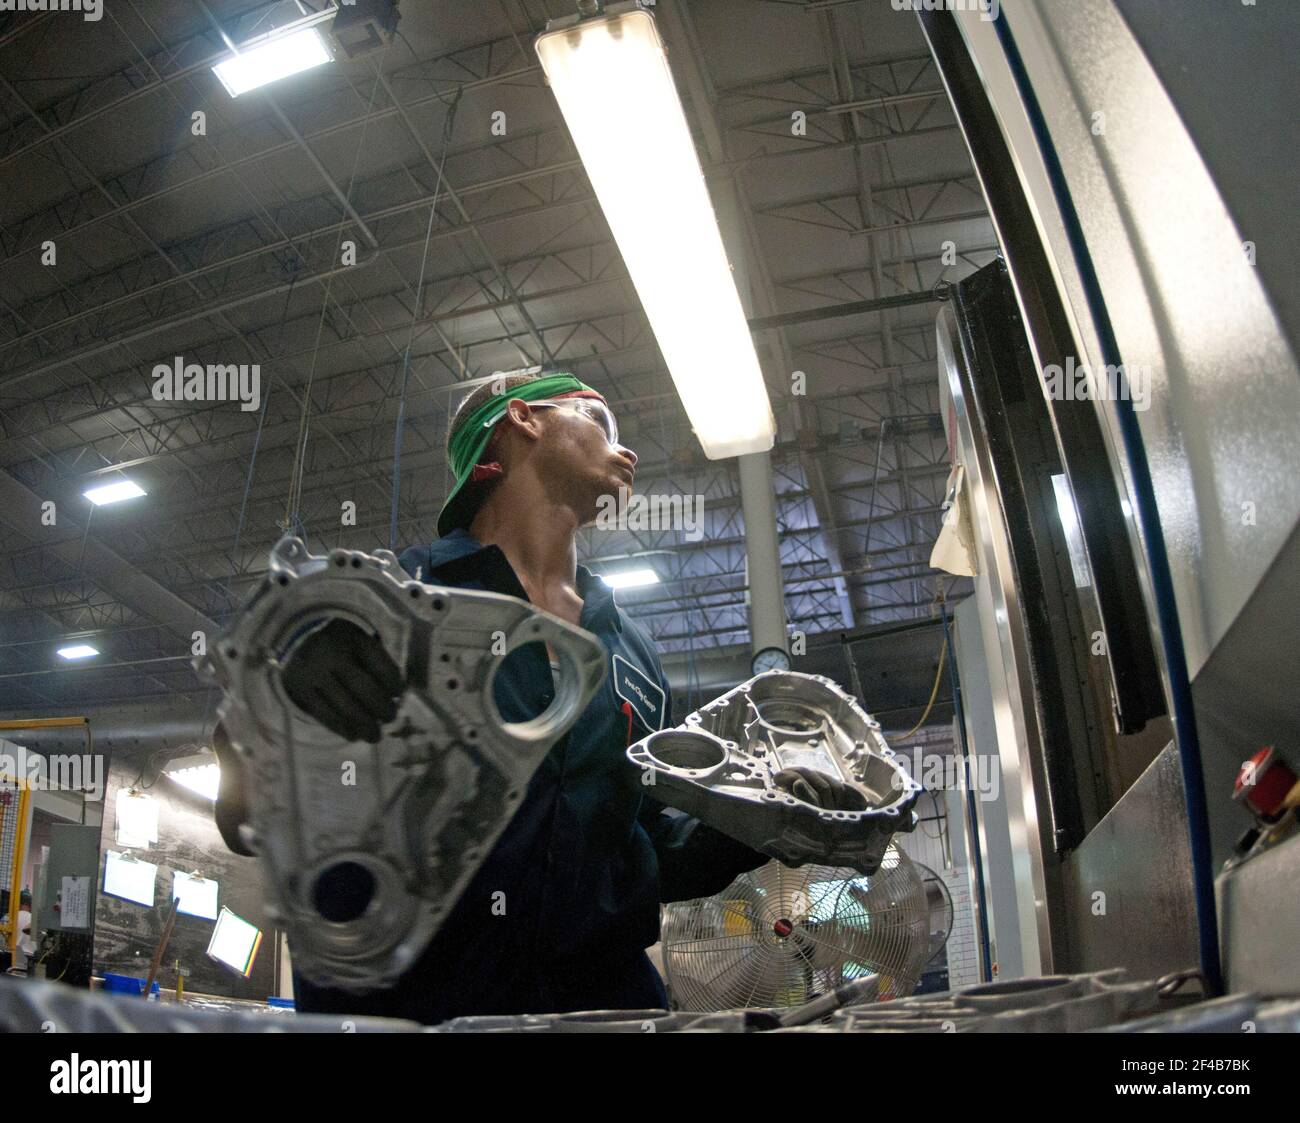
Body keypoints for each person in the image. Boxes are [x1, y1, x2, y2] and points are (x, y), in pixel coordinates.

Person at [214, 371, 854, 1023]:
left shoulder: (632, 652)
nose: (628, 452)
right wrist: (285, 692)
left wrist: (755, 824)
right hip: (412, 1011)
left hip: (601, 1012)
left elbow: (642, 843)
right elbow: (250, 802)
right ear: (523, 418)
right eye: (601, 425)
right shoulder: (392, 598)